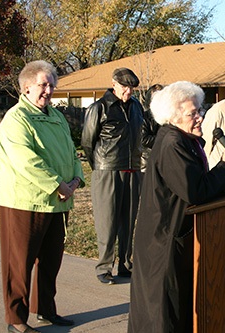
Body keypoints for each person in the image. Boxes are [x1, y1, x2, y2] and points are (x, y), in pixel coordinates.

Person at [128, 81, 225, 332]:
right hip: (163, 242)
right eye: (192, 113)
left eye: (200, 110)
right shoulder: (173, 143)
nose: (199, 117)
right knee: (163, 314)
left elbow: (193, 183)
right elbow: (194, 192)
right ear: (173, 117)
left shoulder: (184, 138)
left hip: (173, 236)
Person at [0, 60, 84, 333]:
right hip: (25, 202)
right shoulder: (16, 120)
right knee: (19, 264)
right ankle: (16, 319)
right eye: (43, 84)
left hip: (57, 202)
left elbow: (71, 151)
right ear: (26, 87)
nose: (49, 89)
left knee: (51, 260)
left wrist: (77, 178)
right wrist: (58, 184)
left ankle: (45, 310)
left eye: (52, 84)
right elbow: (26, 161)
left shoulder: (55, 116)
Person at [81, 68, 144, 284]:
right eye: (125, 87)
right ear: (114, 84)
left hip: (133, 170)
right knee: (107, 221)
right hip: (107, 170)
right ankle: (104, 266)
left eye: (132, 88)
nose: (128, 92)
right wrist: (99, 166)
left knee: (128, 220)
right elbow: (88, 142)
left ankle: (125, 264)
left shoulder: (137, 107)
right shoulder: (99, 108)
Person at [140, 83, 164, 187]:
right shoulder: (144, 117)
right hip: (147, 162)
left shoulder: (168, 116)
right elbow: (143, 139)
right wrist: (164, 140)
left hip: (164, 160)